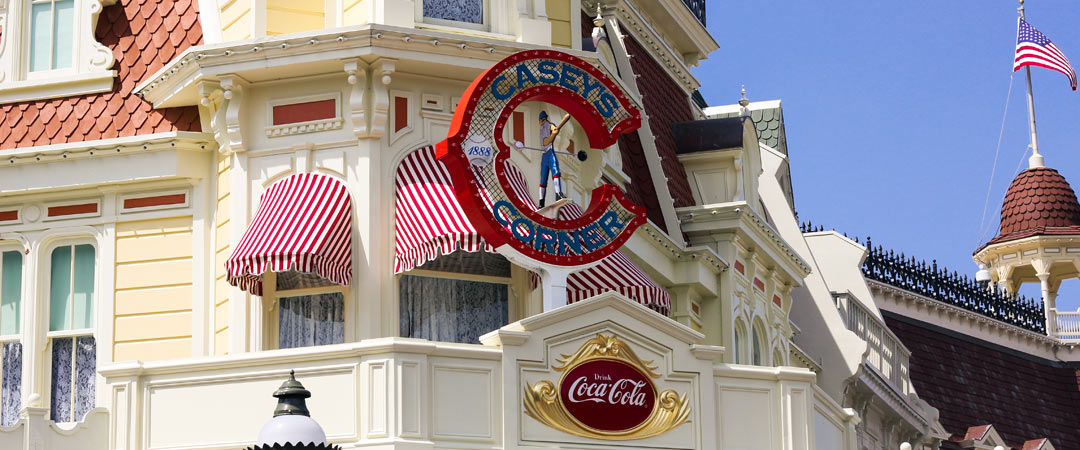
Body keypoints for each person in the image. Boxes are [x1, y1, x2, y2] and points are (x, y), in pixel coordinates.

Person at [537, 110, 571, 208]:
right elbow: (546, 141)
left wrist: (554, 130)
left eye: (544, 119)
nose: (543, 121)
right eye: (542, 120)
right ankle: (541, 202)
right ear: (540, 121)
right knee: (543, 179)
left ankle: (558, 194)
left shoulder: (548, 124)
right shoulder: (541, 131)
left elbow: (553, 127)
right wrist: (553, 135)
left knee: (556, 172)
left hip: (550, 153)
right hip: (545, 156)